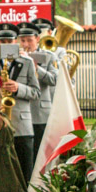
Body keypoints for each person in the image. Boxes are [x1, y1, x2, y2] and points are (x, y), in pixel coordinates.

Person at [0, 23, 40, 183]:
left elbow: (36, 92)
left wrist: (18, 88)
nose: (6, 44)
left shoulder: (27, 63)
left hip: (22, 127)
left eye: (10, 41)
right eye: (3, 41)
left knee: (25, 172)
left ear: (16, 42)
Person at [17, 22, 58, 160]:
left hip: (40, 112)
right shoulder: (17, 57)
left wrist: (36, 68)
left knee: (41, 153)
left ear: (37, 39)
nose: (26, 44)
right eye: (23, 40)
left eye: (29, 40)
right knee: (25, 154)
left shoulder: (49, 56)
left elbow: (54, 80)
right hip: (22, 112)